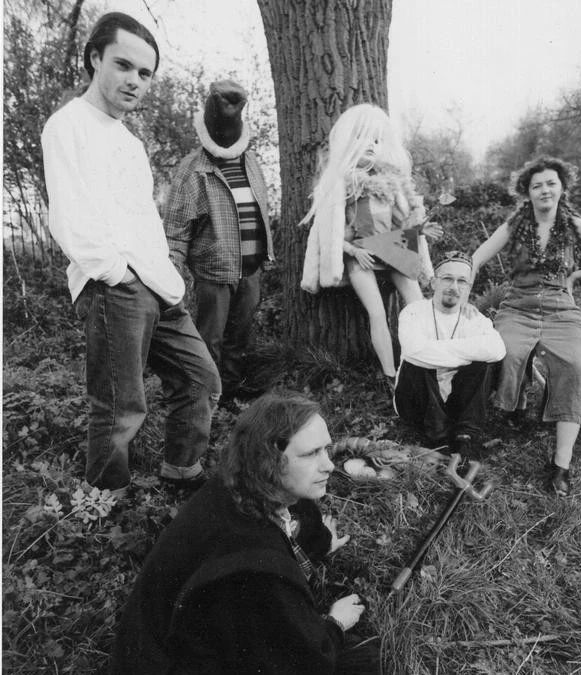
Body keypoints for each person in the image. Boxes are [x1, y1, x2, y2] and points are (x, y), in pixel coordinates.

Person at [112, 391, 385, 675]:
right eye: (311, 454)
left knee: (362, 661)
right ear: (271, 461)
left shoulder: (238, 492)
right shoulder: (253, 565)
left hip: (189, 654)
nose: (329, 464)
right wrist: (333, 626)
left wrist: (319, 545)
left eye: (327, 449)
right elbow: (298, 665)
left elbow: (301, 523)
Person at [41, 13, 220, 495]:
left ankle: (182, 470)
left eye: (145, 73)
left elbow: (142, 220)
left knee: (201, 379)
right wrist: (115, 273)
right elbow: (68, 215)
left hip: (156, 284)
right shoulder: (68, 126)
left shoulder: (130, 142)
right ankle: (105, 500)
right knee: (120, 406)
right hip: (114, 284)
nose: (135, 81)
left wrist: (165, 278)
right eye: (123, 65)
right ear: (95, 58)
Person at [471, 155, 581, 495]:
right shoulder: (515, 224)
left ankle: (561, 465)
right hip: (518, 306)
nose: (545, 190)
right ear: (526, 192)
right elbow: (477, 257)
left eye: (551, 183)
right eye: (537, 185)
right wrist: (460, 284)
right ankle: (516, 405)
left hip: (561, 309)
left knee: (574, 367)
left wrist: (576, 275)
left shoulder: (574, 224)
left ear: (562, 188)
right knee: (506, 353)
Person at [300, 103, 441, 386]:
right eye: (362, 138)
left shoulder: (390, 182)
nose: (370, 146)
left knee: (418, 307)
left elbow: (402, 222)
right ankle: (391, 376)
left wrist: (419, 229)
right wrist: (354, 250)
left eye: (376, 140)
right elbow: (330, 234)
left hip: (391, 246)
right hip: (361, 253)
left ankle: (425, 364)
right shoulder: (342, 183)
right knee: (377, 313)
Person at [164, 80, 274, 402]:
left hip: (250, 270)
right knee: (209, 340)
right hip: (214, 274)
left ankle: (230, 393)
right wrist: (172, 277)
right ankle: (205, 400)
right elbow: (175, 232)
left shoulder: (250, 162)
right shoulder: (192, 170)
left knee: (240, 337)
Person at [393, 251, 506, 456]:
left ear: (468, 287)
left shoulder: (474, 318)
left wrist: (435, 352)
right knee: (415, 363)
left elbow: (497, 350)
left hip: (456, 403)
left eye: (462, 281)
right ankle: (439, 438)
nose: (454, 287)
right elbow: (414, 350)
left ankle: (466, 435)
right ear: (434, 282)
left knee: (485, 363)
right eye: (447, 278)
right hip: (416, 404)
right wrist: (469, 352)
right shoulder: (413, 312)